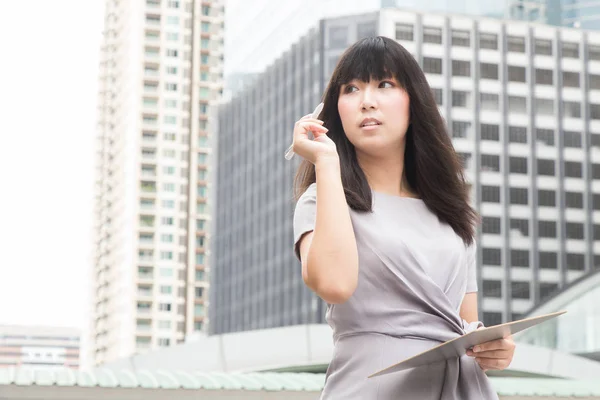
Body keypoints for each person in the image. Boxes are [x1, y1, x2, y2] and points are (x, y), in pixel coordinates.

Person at [290, 36, 515, 399]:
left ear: (414, 101)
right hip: (372, 387)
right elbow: (334, 284)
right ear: (335, 109)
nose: (367, 101)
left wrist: (494, 350)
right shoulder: (323, 200)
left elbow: (464, 324)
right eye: (351, 89)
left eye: (384, 84)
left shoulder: (453, 211)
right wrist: (326, 163)